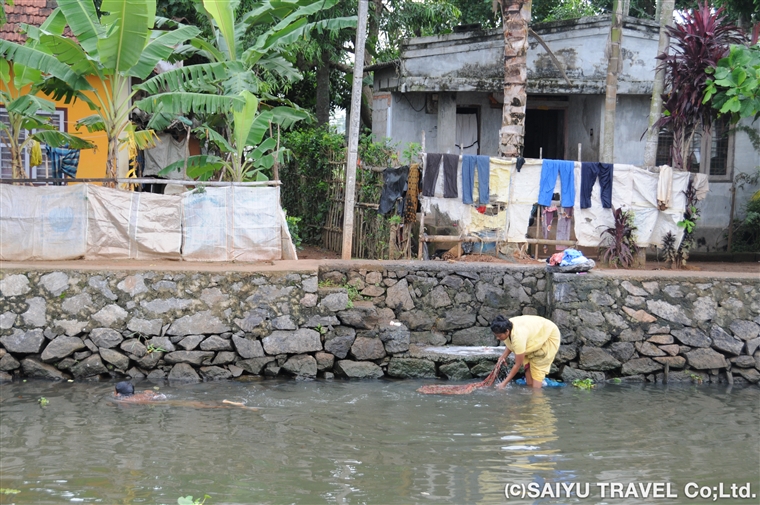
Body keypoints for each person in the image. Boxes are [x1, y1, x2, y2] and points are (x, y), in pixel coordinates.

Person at [490, 314, 561, 389]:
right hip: (534, 333)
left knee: (537, 370)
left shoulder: (518, 337)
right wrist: (503, 357)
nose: (497, 338)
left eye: (499, 336)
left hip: (548, 334)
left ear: (507, 331)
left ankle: (537, 396)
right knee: (528, 367)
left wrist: (503, 384)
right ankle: (530, 389)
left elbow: (518, 365)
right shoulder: (505, 325)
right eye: (496, 336)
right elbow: (510, 343)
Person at [112, 381, 258, 410]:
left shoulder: (127, 401)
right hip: (161, 398)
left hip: (164, 403)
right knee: (197, 403)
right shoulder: (142, 394)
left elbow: (125, 407)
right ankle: (229, 403)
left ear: (117, 393)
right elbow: (151, 392)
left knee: (197, 405)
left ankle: (232, 404)